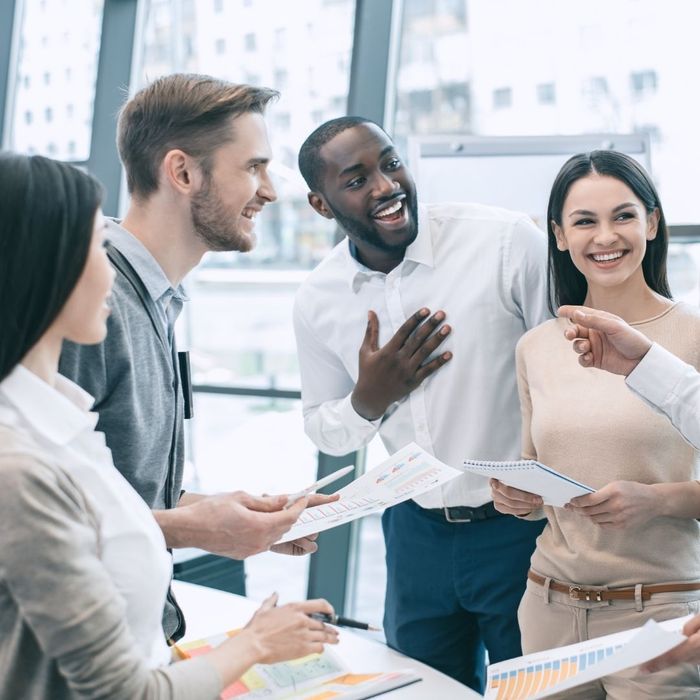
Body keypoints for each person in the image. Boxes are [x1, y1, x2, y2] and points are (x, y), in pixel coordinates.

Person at [0, 152, 338, 699]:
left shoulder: (64, 423)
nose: (111, 270)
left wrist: (233, 514)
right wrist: (255, 643)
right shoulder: (19, 464)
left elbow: (103, 518)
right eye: (95, 246)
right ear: (43, 265)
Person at [58, 74, 333, 641]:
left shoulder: (154, 298)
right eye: (252, 167)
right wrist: (192, 529)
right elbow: (35, 517)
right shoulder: (91, 300)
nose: (270, 191)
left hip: (130, 630)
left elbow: (116, 486)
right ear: (182, 172)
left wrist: (235, 519)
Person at [293, 116, 550, 691]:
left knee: (533, 690)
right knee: (422, 689)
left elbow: (567, 381)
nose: (386, 187)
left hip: (520, 529)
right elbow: (325, 431)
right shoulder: (318, 298)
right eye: (356, 180)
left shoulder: (505, 242)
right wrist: (369, 398)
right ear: (320, 202)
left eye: (389, 163)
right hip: (413, 537)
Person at [491, 150, 700, 698]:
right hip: (548, 606)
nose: (605, 236)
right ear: (558, 235)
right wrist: (520, 495)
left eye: (623, 216)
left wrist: (658, 500)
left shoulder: (693, 335)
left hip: (661, 607)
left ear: (652, 223)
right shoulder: (536, 346)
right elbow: (542, 474)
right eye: (585, 221)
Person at [558, 306, 700, 673]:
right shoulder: (535, 344)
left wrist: (660, 499)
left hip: (663, 597)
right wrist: (643, 362)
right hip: (555, 601)